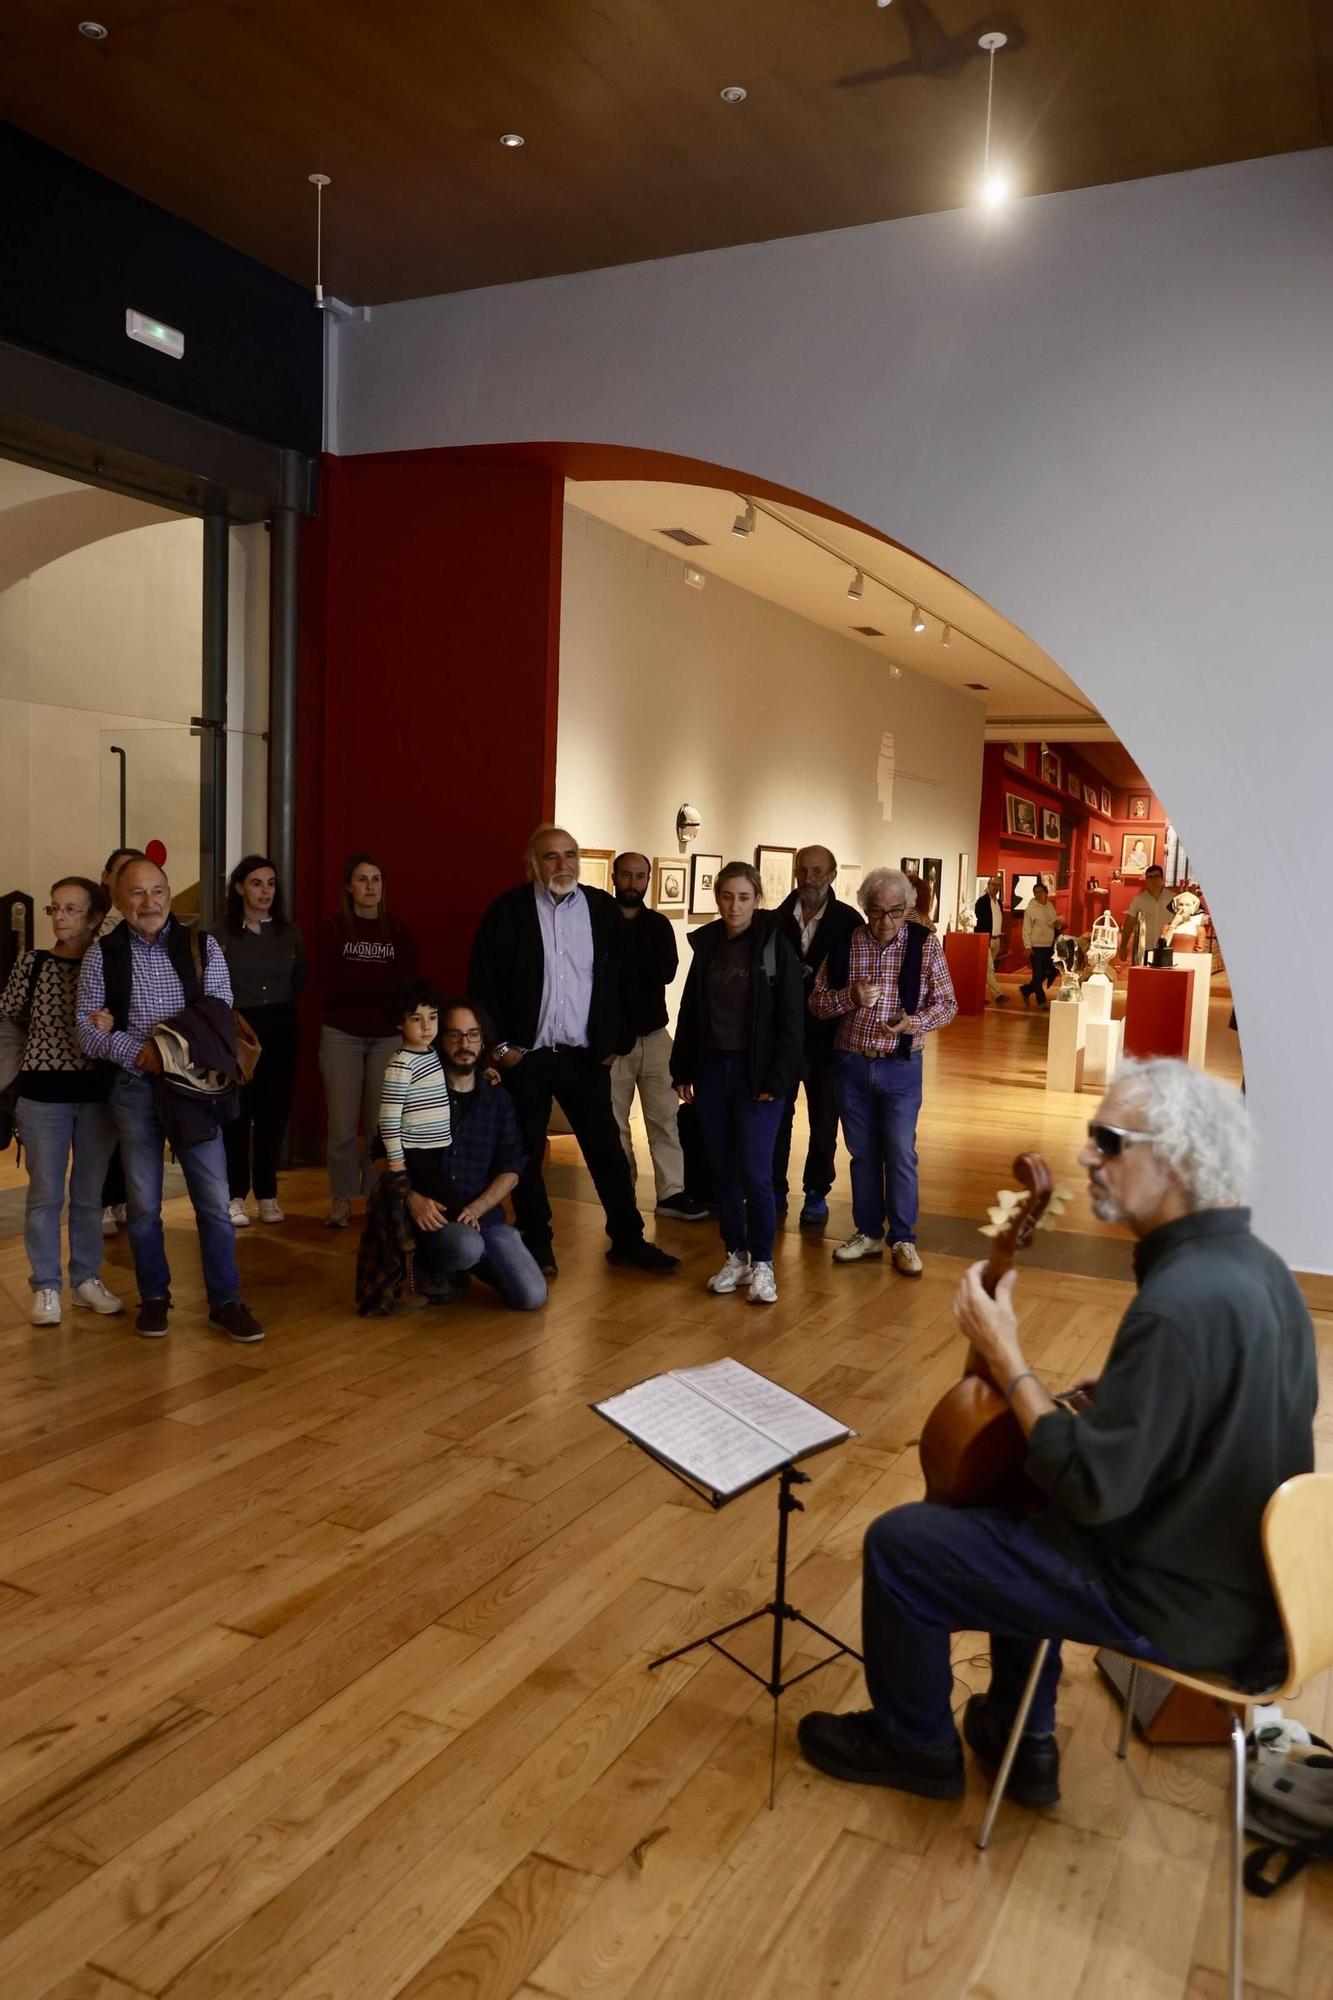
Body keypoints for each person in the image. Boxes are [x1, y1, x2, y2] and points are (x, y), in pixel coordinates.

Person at [797, 1060, 1317, 1805]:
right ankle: (1020, 1735)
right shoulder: (1259, 1270)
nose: (1085, 1157)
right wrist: (1144, 1401)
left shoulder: (1178, 1301)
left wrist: (1008, 1358)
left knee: (901, 1546)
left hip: (1177, 1604)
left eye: (1107, 1140)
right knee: (1024, 1497)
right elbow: (1243, 1413)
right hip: (1238, 1587)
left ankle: (913, 1744)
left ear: (1174, 1159)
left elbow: (1091, 1489)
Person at [468, 825, 678, 1278]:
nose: (562, 865)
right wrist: (499, 1048)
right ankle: (536, 1243)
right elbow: (483, 986)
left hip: (585, 1058)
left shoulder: (601, 910)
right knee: (524, 1154)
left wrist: (613, 1047)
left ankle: (627, 1240)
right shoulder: (507, 913)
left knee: (606, 1151)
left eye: (569, 855)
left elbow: (625, 985)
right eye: (551, 857)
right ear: (533, 865)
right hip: (526, 1058)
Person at [76, 858, 263, 1343]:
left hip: (196, 1089)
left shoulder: (203, 946)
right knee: (142, 1205)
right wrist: (138, 1052)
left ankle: (226, 1302)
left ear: (169, 892)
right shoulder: (104, 954)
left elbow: (219, 1011)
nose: (149, 903)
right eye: (137, 893)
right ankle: (155, 1297)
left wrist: (154, 1045)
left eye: (157, 891)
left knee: (214, 1203)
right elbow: (85, 1031)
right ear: (119, 899)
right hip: (135, 1088)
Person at [811, 865, 957, 1275]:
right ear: (865, 909)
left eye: (895, 912)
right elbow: (817, 1003)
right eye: (877, 912)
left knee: (900, 1153)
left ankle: (904, 1239)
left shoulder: (924, 945)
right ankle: (868, 1232)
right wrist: (849, 997)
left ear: (908, 909)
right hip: (851, 1063)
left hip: (901, 1066)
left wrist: (912, 1023)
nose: (885, 922)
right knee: (862, 1154)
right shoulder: (845, 943)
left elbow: (947, 1004)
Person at [671, 862, 805, 1305]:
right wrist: (683, 1068)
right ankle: (737, 1254)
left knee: (755, 1171)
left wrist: (778, 1078)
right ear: (717, 899)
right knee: (722, 1171)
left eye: (744, 897)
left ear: (757, 899)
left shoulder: (774, 946)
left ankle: (764, 1262)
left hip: (757, 1076)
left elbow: (790, 1018)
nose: (735, 906)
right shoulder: (707, 944)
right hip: (712, 1071)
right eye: (727, 897)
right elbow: (691, 1010)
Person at [0, 876, 122, 1326]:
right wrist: (10, 1075)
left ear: (95, 918)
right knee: (45, 1193)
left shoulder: (109, 965)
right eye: (56, 909)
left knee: (89, 1195)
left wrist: (111, 1024)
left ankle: (86, 1279)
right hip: (41, 1096)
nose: (61, 917)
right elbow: (6, 1019)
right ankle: (46, 1286)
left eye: (72, 909)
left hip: (95, 1096)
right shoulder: (31, 964)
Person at [382, 990, 548, 1312]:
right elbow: (381, 1152)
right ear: (441, 1040)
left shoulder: (497, 1099)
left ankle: (462, 1266)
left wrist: (478, 1208)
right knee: (465, 1245)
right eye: (455, 1035)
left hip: (483, 1217)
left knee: (532, 1296)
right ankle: (433, 1264)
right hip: (434, 1218)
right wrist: (411, 1198)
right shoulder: (419, 1089)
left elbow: (512, 1166)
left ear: (482, 1041)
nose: (464, 1044)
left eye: (472, 1035)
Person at [318, 854, 418, 1228]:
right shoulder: (333, 929)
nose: (370, 886)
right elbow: (331, 983)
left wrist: (373, 993)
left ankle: (377, 1197)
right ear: (349, 886)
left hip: (386, 1038)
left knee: (382, 1125)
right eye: (362, 879)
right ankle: (342, 1198)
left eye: (376, 879)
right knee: (342, 1126)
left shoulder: (398, 930)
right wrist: (376, 988)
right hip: (341, 1035)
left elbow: (407, 984)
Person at [607, 851, 707, 1222]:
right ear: (615, 876)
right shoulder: (600, 922)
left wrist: (625, 968)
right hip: (611, 1043)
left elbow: (665, 972)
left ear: (648, 880)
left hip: (654, 1035)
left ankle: (671, 1193)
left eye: (640, 877)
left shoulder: (659, 924)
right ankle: (622, 1192)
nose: (633, 883)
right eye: (627, 875)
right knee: (615, 1124)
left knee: (665, 1118)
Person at [212, 853, 307, 1227]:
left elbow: (299, 981)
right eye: (256, 883)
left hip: (282, 1024)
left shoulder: (289, 933)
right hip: (239, 1028)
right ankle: (235, 1195)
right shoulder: (221, 934)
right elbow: (211, 985)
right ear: (239, 888)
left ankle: (267, 1194)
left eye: (270, 883)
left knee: (274, 1112)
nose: (265, 890)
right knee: (238, 1112)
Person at [773, 845, 862, 1226]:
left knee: (825, 1119)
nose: (810, 878)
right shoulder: (775, 918)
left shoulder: (848, 921)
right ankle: (775, 1187)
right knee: (777, 1116)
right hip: (783, 1037)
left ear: (832, 874)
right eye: (803, 870)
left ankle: (816, 1191)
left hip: (831, 1039)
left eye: (818, 871)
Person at [97, 846, 145, 1234]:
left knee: (130, 1136)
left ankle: (124, 1198)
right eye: (122, 872)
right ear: (108, 880)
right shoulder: (95, 926)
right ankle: (102, 1201)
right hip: (98, 1049)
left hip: (135, 1053)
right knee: (100, 1133)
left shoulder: (150, 924)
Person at [1118, 863, 1174, 965]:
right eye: (1150, 877)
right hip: (1144, 949)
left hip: (1167, 950)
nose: (1153, 879)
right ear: (1146, 880)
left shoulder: (1173, 899)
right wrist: (1123, 946)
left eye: (1156, 876)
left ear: (1162, 879)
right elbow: (1129, 924)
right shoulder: (1139, 900)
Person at [1019, 880, 1060, 1008]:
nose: (1038, 894)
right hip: (1036, 946)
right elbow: (1026, 929)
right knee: (1037, 974)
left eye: (1040, 891)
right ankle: (1041, 1000)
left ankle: (1026, 989)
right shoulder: (1030, 909)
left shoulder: (1050, 906)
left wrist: (1058, 922)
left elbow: (1054, 923)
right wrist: (1028, 946)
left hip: (1049, 945)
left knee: (1049, 971)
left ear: (1046, 893)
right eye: (1035, 892)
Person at [973, 872, 1010, 1006]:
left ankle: (980, 997)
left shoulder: (998, 902)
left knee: (986, 970)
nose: (996, 887)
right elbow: (979, 922)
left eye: (999, 885)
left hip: (996, 939)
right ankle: (998, 994)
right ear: (988, 885)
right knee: (989, 969)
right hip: (985, 939)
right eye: (994, 884)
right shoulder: (981, 902)